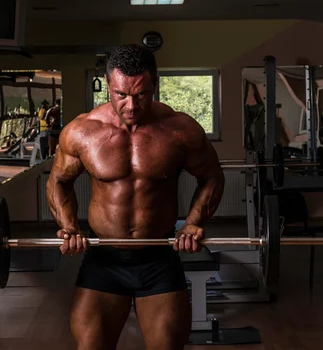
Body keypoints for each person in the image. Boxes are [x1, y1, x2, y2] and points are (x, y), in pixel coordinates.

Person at [46, 44, 225, 350]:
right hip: (103, 258)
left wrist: (194, 222)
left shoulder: (180, 131)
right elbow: (58, 181)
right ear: (107, 84)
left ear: (155, 84)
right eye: (121, 94)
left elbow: (212, 176)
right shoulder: (82, 132)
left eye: (141, 94)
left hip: (159, 257)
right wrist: (69, 225)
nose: (130, 105)